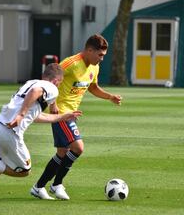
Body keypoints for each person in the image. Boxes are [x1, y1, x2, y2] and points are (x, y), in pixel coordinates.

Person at [0, 63, 82, 206]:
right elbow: (36, 92)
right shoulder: (49, 87)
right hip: (10, 131)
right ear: (56, 81)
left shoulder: (30, 83)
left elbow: (35, 116)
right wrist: (21, 114)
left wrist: (62, 117)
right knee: (23, 171)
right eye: (59, 84)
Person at [31, 34, 122, 200]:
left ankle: (38, 187)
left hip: (71, 113)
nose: (101, 59)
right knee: (78, 148)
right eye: (99, 55)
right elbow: (49, 79)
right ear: (89, 50)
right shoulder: (70, 63)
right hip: (61, 113)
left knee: (62, 152)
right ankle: (56, 184)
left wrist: (110, 97)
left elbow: (93, 88)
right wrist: (53, 104)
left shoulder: (94, 67)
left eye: (103, 56)